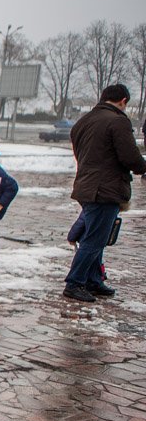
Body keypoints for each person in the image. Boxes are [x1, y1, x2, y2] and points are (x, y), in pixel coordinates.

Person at [62, 83, 145, 302]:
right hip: (105, 189)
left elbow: (83, 154)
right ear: (123, 101)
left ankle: (93, 280)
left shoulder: (83, 121)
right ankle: (75, 282)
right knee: (95, 239)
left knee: (96, 235)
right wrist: (142, 167)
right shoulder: (118, 121)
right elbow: (130, 157)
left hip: (86, 186)